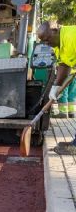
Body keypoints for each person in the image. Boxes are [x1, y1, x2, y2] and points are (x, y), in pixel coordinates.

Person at [37, 21, 76, 155]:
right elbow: (64, 65)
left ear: (55, 30)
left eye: (47, 39)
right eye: (44, 42)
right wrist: (56, 86)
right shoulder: (58, 44)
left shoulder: (72, 36)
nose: (46, 44)